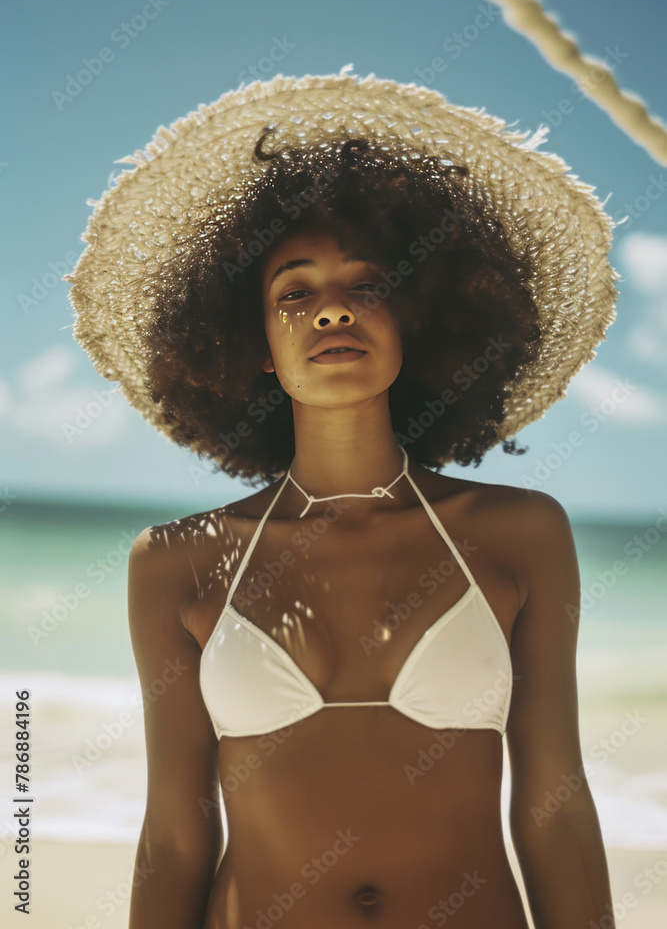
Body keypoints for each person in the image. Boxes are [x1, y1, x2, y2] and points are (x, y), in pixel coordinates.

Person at [63, 68, 621, 928]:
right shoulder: (176, 561)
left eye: (366, 286)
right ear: (251, 343)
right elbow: (174, 837)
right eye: (295, 292)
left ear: (418, 317)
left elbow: (553, 806)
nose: (331, 312)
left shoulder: (518, 532)